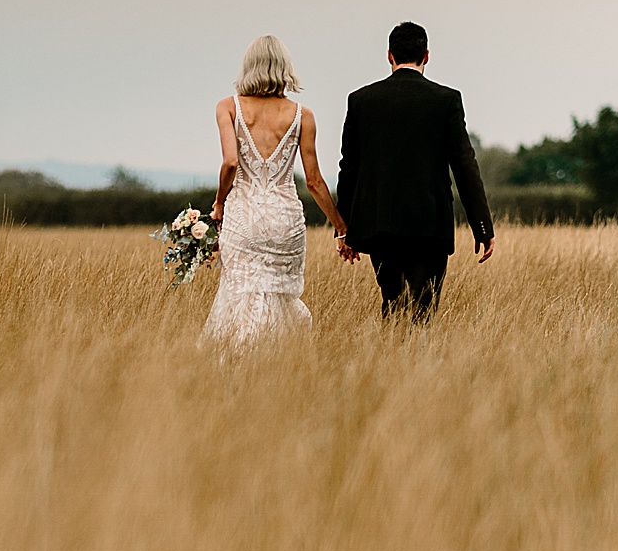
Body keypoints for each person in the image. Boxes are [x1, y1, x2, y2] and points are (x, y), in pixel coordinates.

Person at [334, 22, 494, 320]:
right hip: (429, 226)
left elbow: (349, 167)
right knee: (423, 309)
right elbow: (464, 165)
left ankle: (388, 362)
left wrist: (345, 229)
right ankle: (417, 363)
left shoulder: (361, 100)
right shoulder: (446, 100)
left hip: (380, 225)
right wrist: (482, 226)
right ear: (427, 55)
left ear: (389, 55)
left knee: (392, 303)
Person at [201, 35, 350, 347]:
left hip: (244, 218)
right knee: (280, 296)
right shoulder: (302, 115)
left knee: (239, 295)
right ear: (284, 68)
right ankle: (278, 365)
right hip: (286, 220)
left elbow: (230, 163)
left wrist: (218, 205)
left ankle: (239, 366)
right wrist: (341, 227)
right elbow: (314, 182)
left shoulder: (228, 108)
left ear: (248, 68)